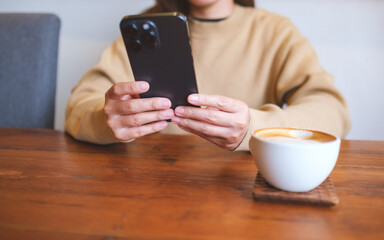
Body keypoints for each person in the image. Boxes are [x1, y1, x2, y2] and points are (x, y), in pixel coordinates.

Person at [65, 0, 351, 151]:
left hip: (245, 190)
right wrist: (107, 119)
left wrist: (256, 128)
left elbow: (331, 110)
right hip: (153, 188)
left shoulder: (274, 31)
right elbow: (79, 105)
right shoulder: (147, 27)